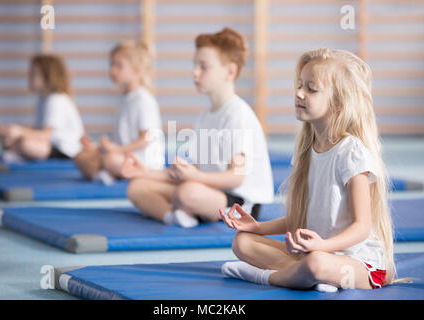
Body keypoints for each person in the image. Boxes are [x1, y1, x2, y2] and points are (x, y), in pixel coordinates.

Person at [220, 48, 397, 292]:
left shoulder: (350, 152)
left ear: (337, 104)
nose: (299, 93)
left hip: (361, 264)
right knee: (242, 242)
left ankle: (267, 277)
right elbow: (300, 218)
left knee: (316, 263)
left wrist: (323, 245)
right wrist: (257, 227)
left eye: (311, 89)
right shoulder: (307, 151)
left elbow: (361, 226)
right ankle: (305, 276)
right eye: (299, 85)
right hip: (318, 254)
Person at [120, 27, 274, 228]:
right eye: (195, 65)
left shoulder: (238, 115)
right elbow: (197, 170)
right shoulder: (204, 116)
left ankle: (188, 208)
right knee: (137, 187)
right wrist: (145, 172)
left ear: (230, 71)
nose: (195, 72)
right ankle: (175, 216)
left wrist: (194, 177)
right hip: (207, 189)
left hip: (241, 202)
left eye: (203, 66)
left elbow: (236, 177)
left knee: (187, 192)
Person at [74, 40, 164, 184]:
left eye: (119, 66)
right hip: (124, 155)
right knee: (81, 157)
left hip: (143, 161)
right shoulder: (125, 99)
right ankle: (108, 172)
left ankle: (109, 172)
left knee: (110, 159)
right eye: (111, 65)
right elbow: (122, 138)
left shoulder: (143, 99)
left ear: (137, 70)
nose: (112, 70)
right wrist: (99, 147)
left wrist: (117, 150)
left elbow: (146, 139)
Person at [0, 54, 84, 161]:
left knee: (25, 143)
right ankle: (16, 151)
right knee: (11, 140)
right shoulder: (43, 99)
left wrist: (19, 131)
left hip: (67, 151)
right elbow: (37, 131)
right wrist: (8, 131)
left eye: (34, 74)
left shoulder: (56, 99)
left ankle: (16, 154)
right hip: (51, 146)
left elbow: (45, 136)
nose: (29, 77)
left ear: (48, 77)